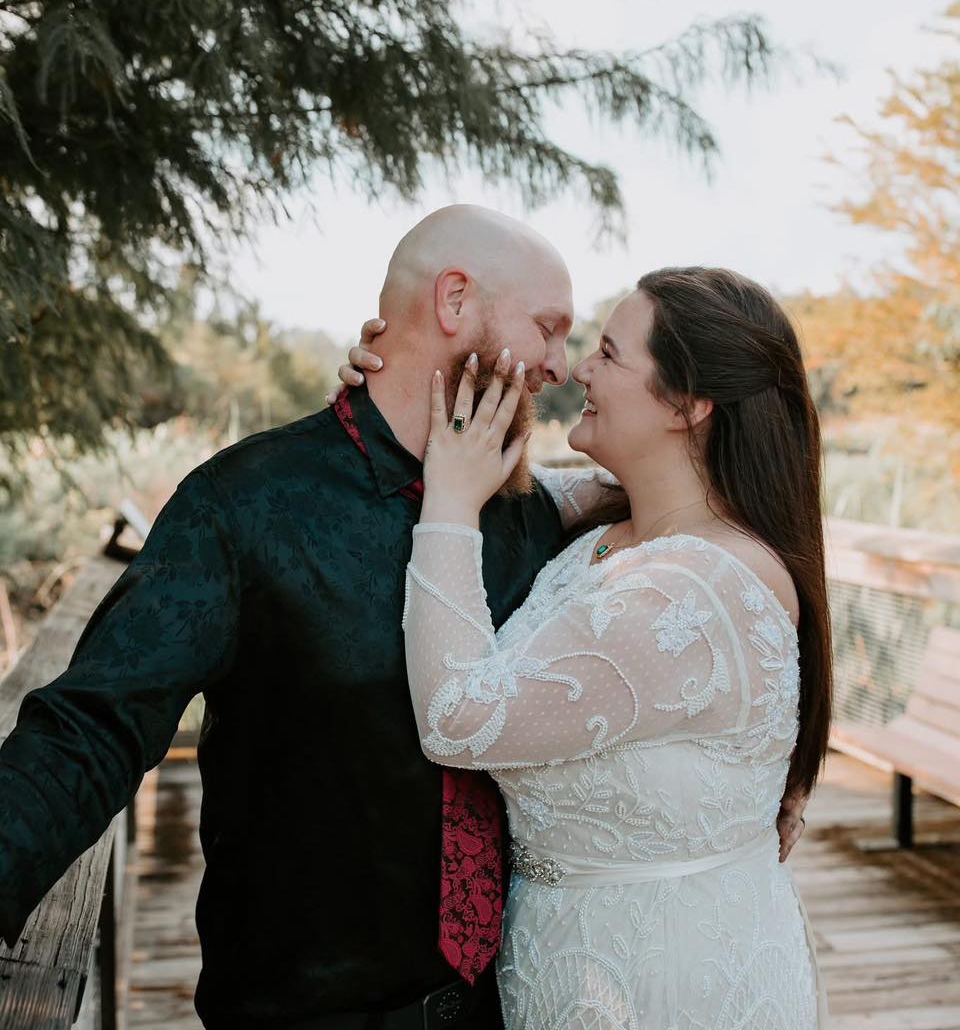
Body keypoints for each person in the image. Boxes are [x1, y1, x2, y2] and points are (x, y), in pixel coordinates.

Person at [0, 206, 808, 1030]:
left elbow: (704, 535)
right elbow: (90, 729)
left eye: (588, 346)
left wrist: (761, 779)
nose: (562, 367)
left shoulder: (528, 512)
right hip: (308, 1014)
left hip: (516, 1000)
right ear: (454, 302)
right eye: (550, 330)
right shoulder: (248, 505)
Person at [337, 266, 831, 1028]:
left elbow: (457, 717)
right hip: (568, 971)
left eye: (609, 352)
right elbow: (507, 472)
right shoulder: (615, 529)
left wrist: (450, 505)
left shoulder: (690, 591)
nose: (577, 371)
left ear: (689, 405)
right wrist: (403, 373)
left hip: (666, 987)